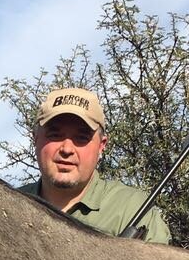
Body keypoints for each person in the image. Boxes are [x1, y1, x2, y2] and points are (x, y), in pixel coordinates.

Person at [18, 87, 171, 242]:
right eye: (55, 135)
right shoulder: (12, 204)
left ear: (101, 145)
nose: (67, 149)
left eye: (82, 138)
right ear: (35, 139)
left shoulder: (132, 208)